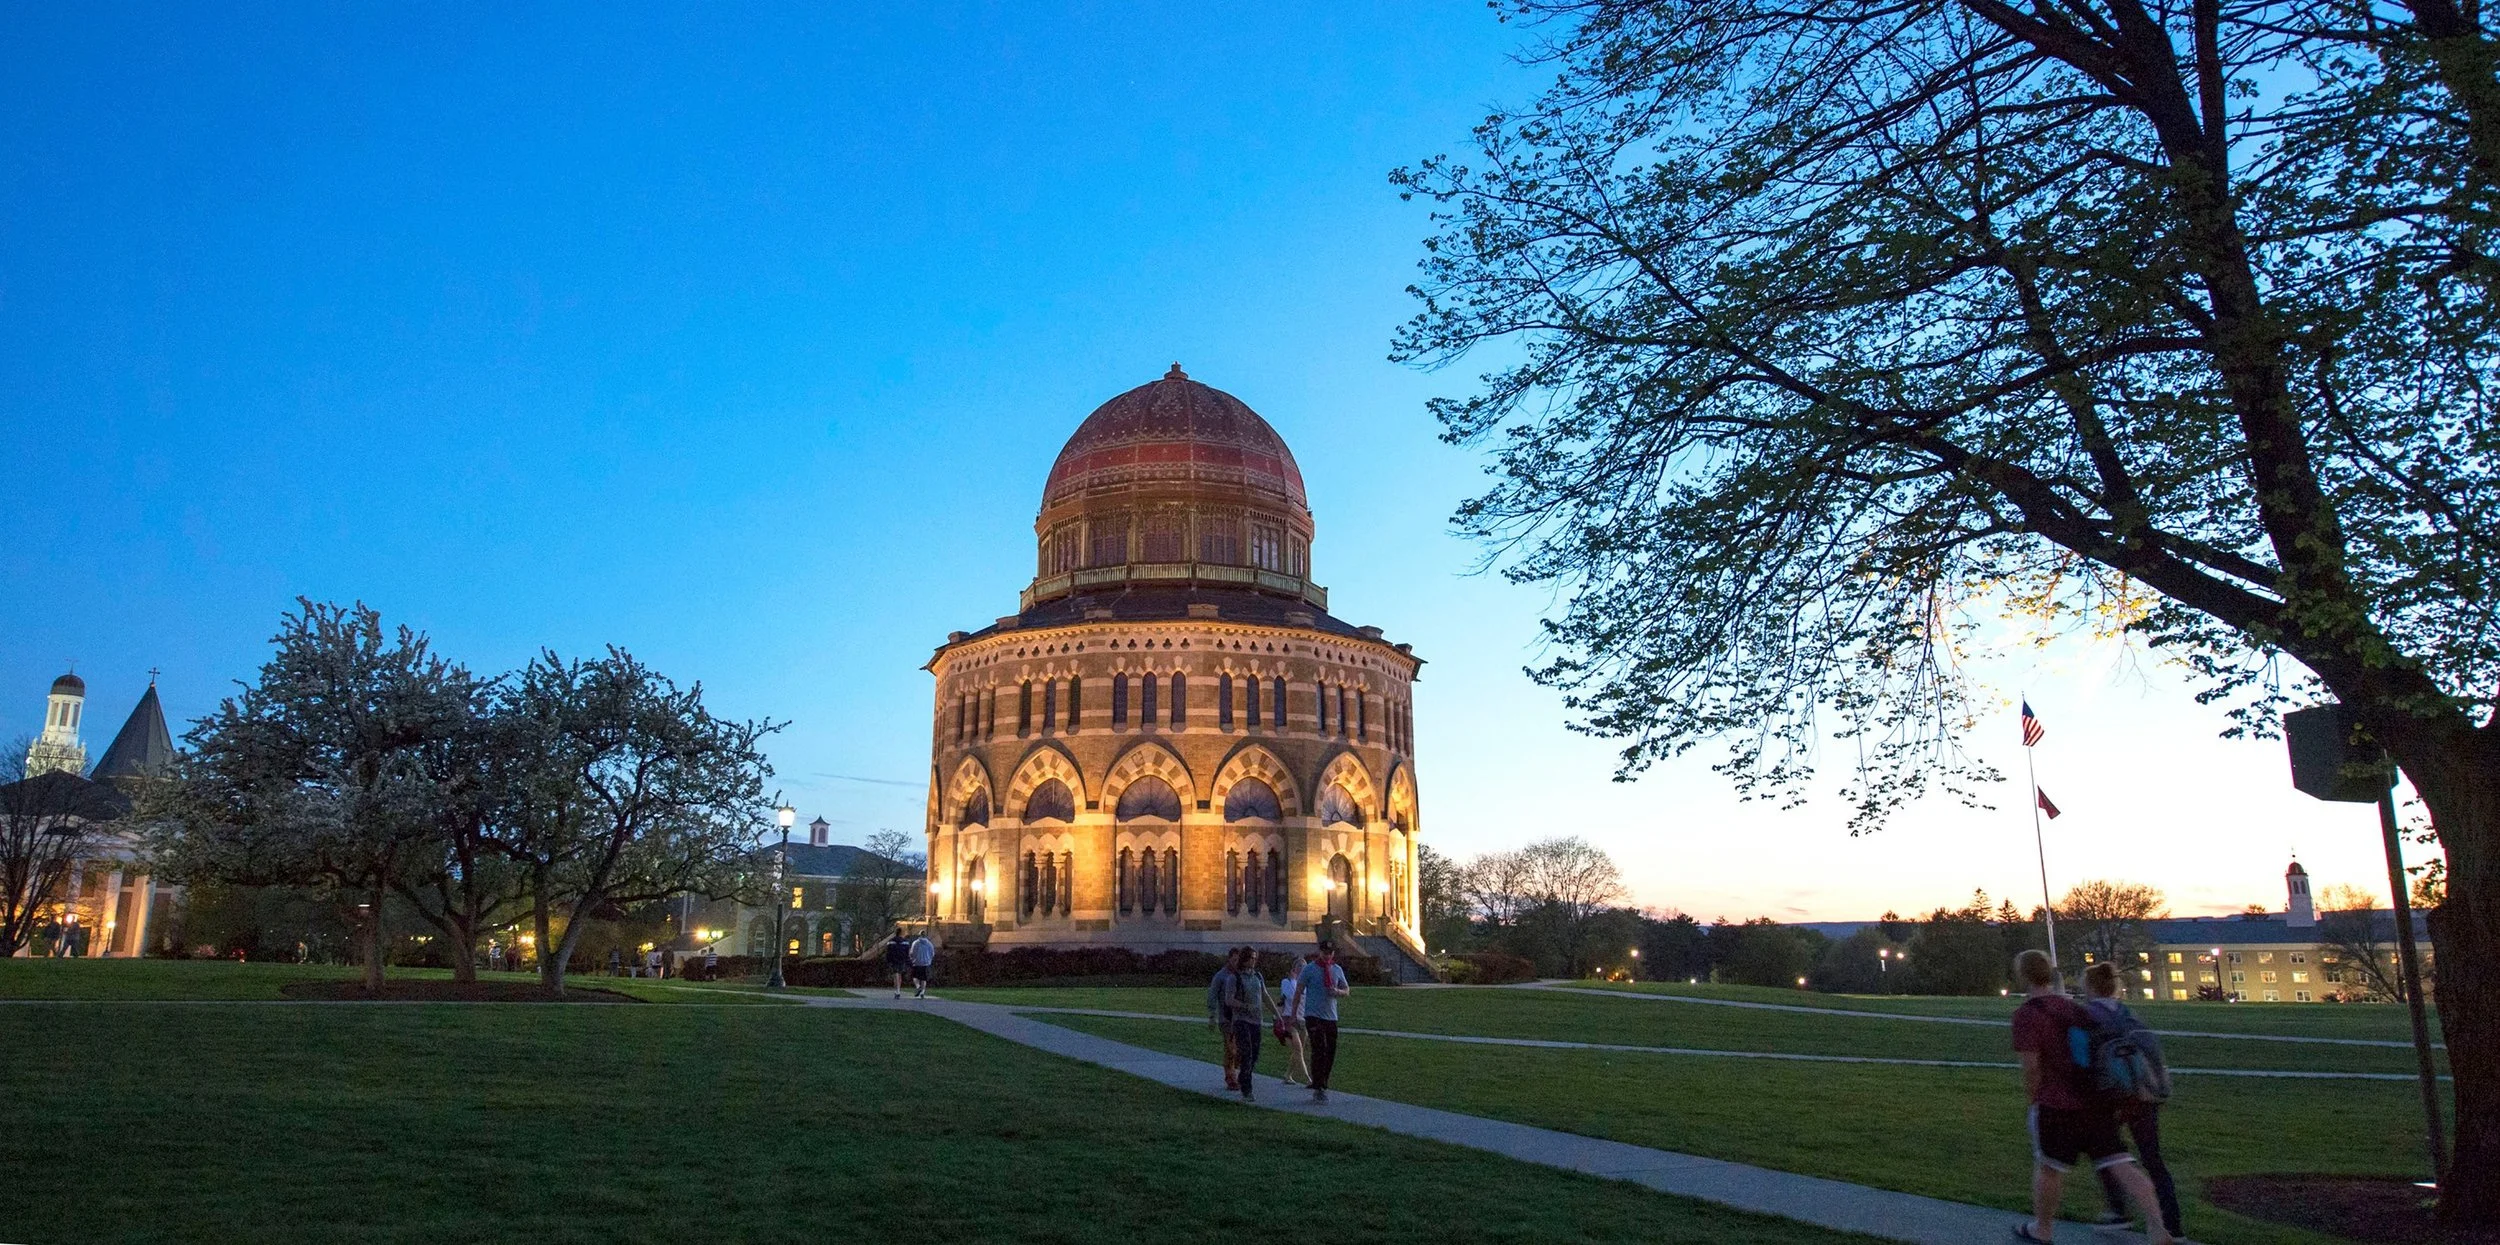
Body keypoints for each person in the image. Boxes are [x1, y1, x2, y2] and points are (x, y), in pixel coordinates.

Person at [2008, 949, 2173, 1245]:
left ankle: (2042, 1230)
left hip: (2057, 1103)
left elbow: (2032, 1067)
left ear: (2022, 976)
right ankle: (2158, 1228)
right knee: (2123, 1165)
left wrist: (2034, 1098)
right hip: (2095, 1103)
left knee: (2049, 1169)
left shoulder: (2027, 1014)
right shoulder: (2075, 1009)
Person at [2084, 963, 2183, 1240]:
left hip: (2111, 1095)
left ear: (2090, 987)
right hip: (2143, 1094)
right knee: (2153, 1158)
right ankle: (2172, 1224)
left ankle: (2118, 1210)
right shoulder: (2130, 1017)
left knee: (2108, 1154)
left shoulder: (2089, 1016)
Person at [1209, 947, 1276, 1102]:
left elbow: (1265, 996)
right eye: (1250, 958)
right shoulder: (1228, 977)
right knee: (1236, 1051)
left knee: (1253, 1054)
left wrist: (1277, 1014)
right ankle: (1241, 1085)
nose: (1253, 961)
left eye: (1255, 958)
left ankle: (1242, 1075)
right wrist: (1212, 1015)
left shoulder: (1257, 976)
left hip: (1256, 1020)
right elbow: (1219, 997)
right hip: (1234, 1019)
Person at [1292, 940, 1350, 1104]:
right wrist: (1294, 1014)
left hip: (1330, 1016)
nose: (1327, 956)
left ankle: (1322, 1082)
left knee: (1330, 1051)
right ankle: (1318, 1087)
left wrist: (1337, 991)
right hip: (1313, 1015)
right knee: (1319, 1048)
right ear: (1320, 952)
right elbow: (1298, 991)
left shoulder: (1336, 969)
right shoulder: (1309, 969)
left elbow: (1347, 990)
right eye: (1325, 953)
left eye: (1330, 953)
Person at [1207, 950, 1245, 1090]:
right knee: (1230, 1049)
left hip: (1241, 1018)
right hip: (1226, 1018)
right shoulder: (1220, 976)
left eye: (1238, 960)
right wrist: (1212, 1016)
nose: (1236, 963)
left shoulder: (1241, 975)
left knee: (1241, 1050)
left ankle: (1238, 1073)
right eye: (1234, 960)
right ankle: (1230, 1077)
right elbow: (1212, 995)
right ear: (1229, 959)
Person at [1274, 951, 1312, 1086]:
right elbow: (1290, 995)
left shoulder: (1307, 984)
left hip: (1303, 1020)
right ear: (1294, 969)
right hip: (1290, 1019)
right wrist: (1293, 979)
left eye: (1304, 967)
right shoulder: (1287, 982)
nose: (1302, 969)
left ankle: (1288, 1075)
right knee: (1298, 1049)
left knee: (1297, 1051)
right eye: (1300, 967)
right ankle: (1308, 1078)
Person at [884, 928, 912, 998]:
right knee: (899, 974)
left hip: (894, 960)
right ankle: (898, 989)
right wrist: (907, 960)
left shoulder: (891, 941)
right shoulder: (905, 942)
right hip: (902, 960)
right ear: (901, 933)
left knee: (896, 974)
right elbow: (907, 952)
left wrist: (888, 960)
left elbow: (888, 952)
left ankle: (897, 990)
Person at [908, 929, 937, 998]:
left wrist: (912, 959)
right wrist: (929, 959)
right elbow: (932, 953)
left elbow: (912, 952)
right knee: (924, 978)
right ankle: (922, 992)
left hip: (917, 962)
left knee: (915, 977)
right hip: (926, 963)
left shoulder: (915, 943)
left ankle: (918, 987)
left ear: (919, 935)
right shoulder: (929, 944)